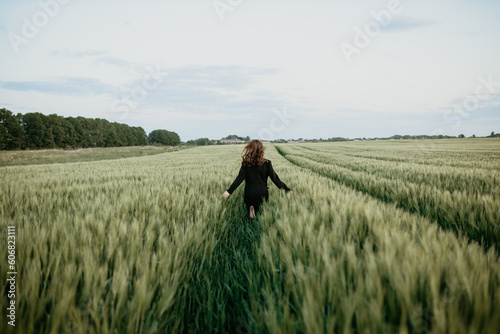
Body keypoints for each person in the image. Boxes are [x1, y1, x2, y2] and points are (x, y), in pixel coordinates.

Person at [223, 139, 292, 221]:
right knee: (260, 213)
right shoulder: (267, 163)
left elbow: (239, 179)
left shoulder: (245, 163)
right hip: (262, 193)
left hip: (249, 193)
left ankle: (251, 209)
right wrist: (287, 190)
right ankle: (256, 221)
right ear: (261, 150)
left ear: (249, 149)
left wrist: (228, 192)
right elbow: (275, 179)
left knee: (250, 207)